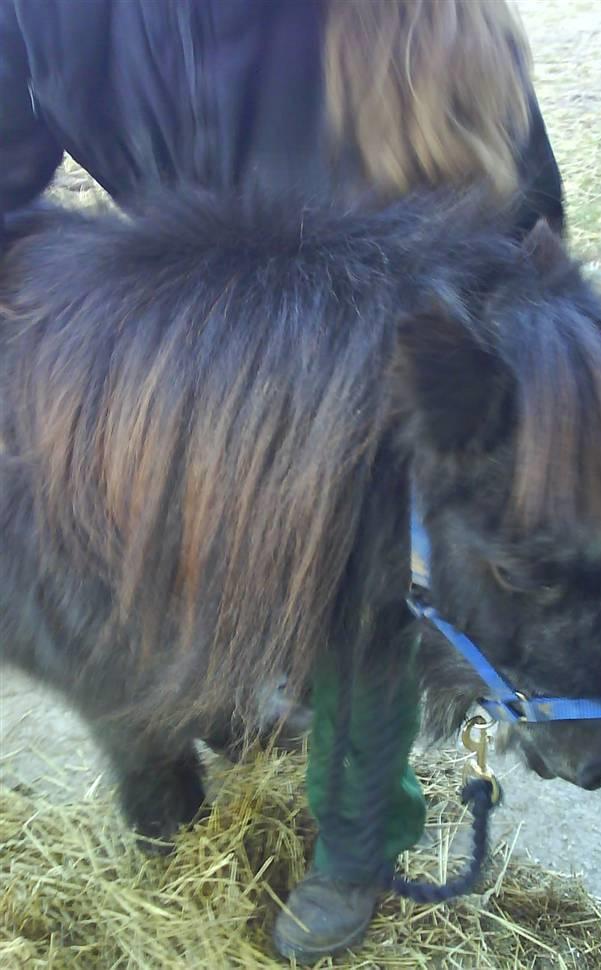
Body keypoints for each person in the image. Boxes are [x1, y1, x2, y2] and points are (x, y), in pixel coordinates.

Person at [0, 0, 564, 960]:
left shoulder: (413, 23)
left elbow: (518, 238)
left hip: (389, 353)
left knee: (370, 595)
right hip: (199, 349)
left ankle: (356, 844)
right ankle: (234, 712)